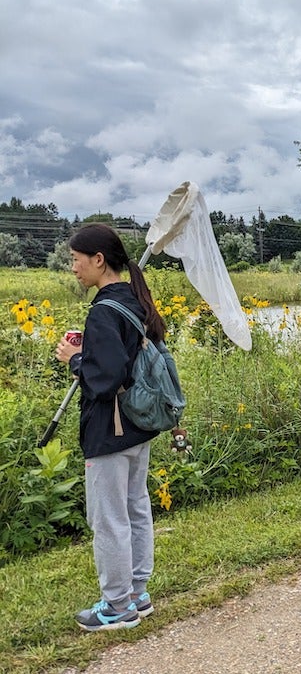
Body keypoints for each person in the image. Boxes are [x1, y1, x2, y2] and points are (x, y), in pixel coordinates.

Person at [53, 223, 166, 631]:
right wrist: (93, 351)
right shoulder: (135, 299)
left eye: (75, 260)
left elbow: (105, 378)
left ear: (98, 260)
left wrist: (74, 359)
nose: (73, 268)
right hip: (139, 426)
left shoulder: (103, 309)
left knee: (108, 517)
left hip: (110, 429)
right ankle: (137, 592)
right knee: (136, 508)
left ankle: (116, 606)